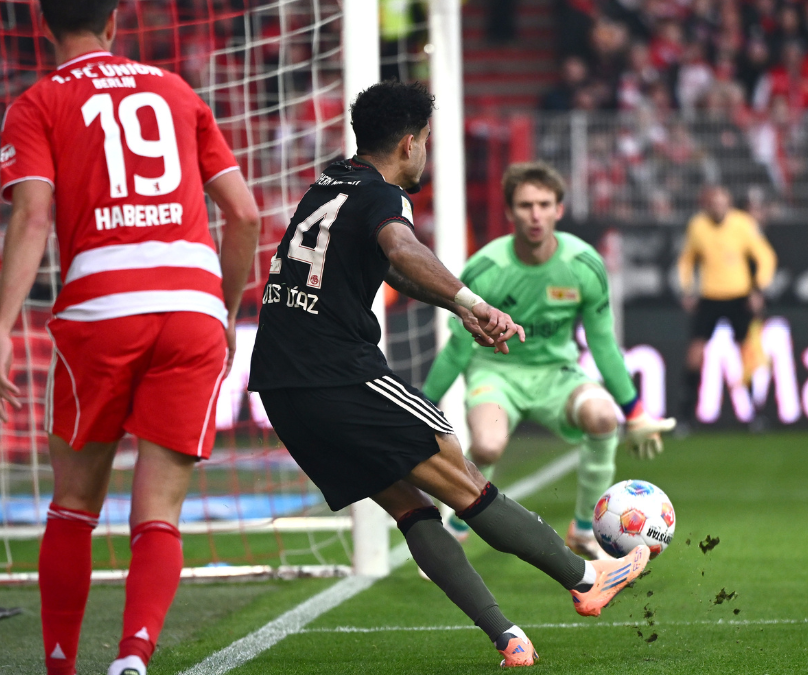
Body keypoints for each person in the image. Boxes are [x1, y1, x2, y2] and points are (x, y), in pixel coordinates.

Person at [249, 81, 650, 668]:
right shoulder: (385, 196)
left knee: (409, 506)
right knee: (461, 476)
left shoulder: (329, 184)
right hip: (337, 371)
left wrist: (453, 308)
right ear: (410, 143)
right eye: (427, 142)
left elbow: (392, 268)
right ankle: (587, 578)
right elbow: (403, 250)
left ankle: (505, 635)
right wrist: (472, 302)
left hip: (281, 387)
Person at [0, 2, 260, 674]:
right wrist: (221, 312)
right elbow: (247, 215)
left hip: (102, 306)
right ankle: (133, 657)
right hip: (192, 304)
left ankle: (59, 664)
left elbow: (32, 217)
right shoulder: (176, 89)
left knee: (75, 503)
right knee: (158, 511)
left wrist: (0, 326)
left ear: (43, 25)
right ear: (114, 23)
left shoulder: (38, 101)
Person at [420, 161, 675, 561]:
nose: (535, 214)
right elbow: (457, 350)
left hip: (558, 373)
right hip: (496, 371)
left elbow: (603, 343)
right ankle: (456, 525)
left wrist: (636, 412)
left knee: (603, 417)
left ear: (559, 208)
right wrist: (420, 409)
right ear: (510, 212)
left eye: (544, 204)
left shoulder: (583, 265)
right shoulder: (486, 269)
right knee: (487, 445)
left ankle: (585, 529)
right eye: (525, 205)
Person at [676, 185, 776, 424]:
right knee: (695, 355)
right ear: (707, 205)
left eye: (722, 203)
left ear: (729, 204)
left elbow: (765, 257)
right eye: (714, 204)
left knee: (748, 355)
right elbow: (687, 260)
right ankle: (685, 416)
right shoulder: (697, 226)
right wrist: (687, 289)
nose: (718, 208)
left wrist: (758, 288)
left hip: (739, 297)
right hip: (709, 297)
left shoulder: (743, 224)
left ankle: (757, 414)